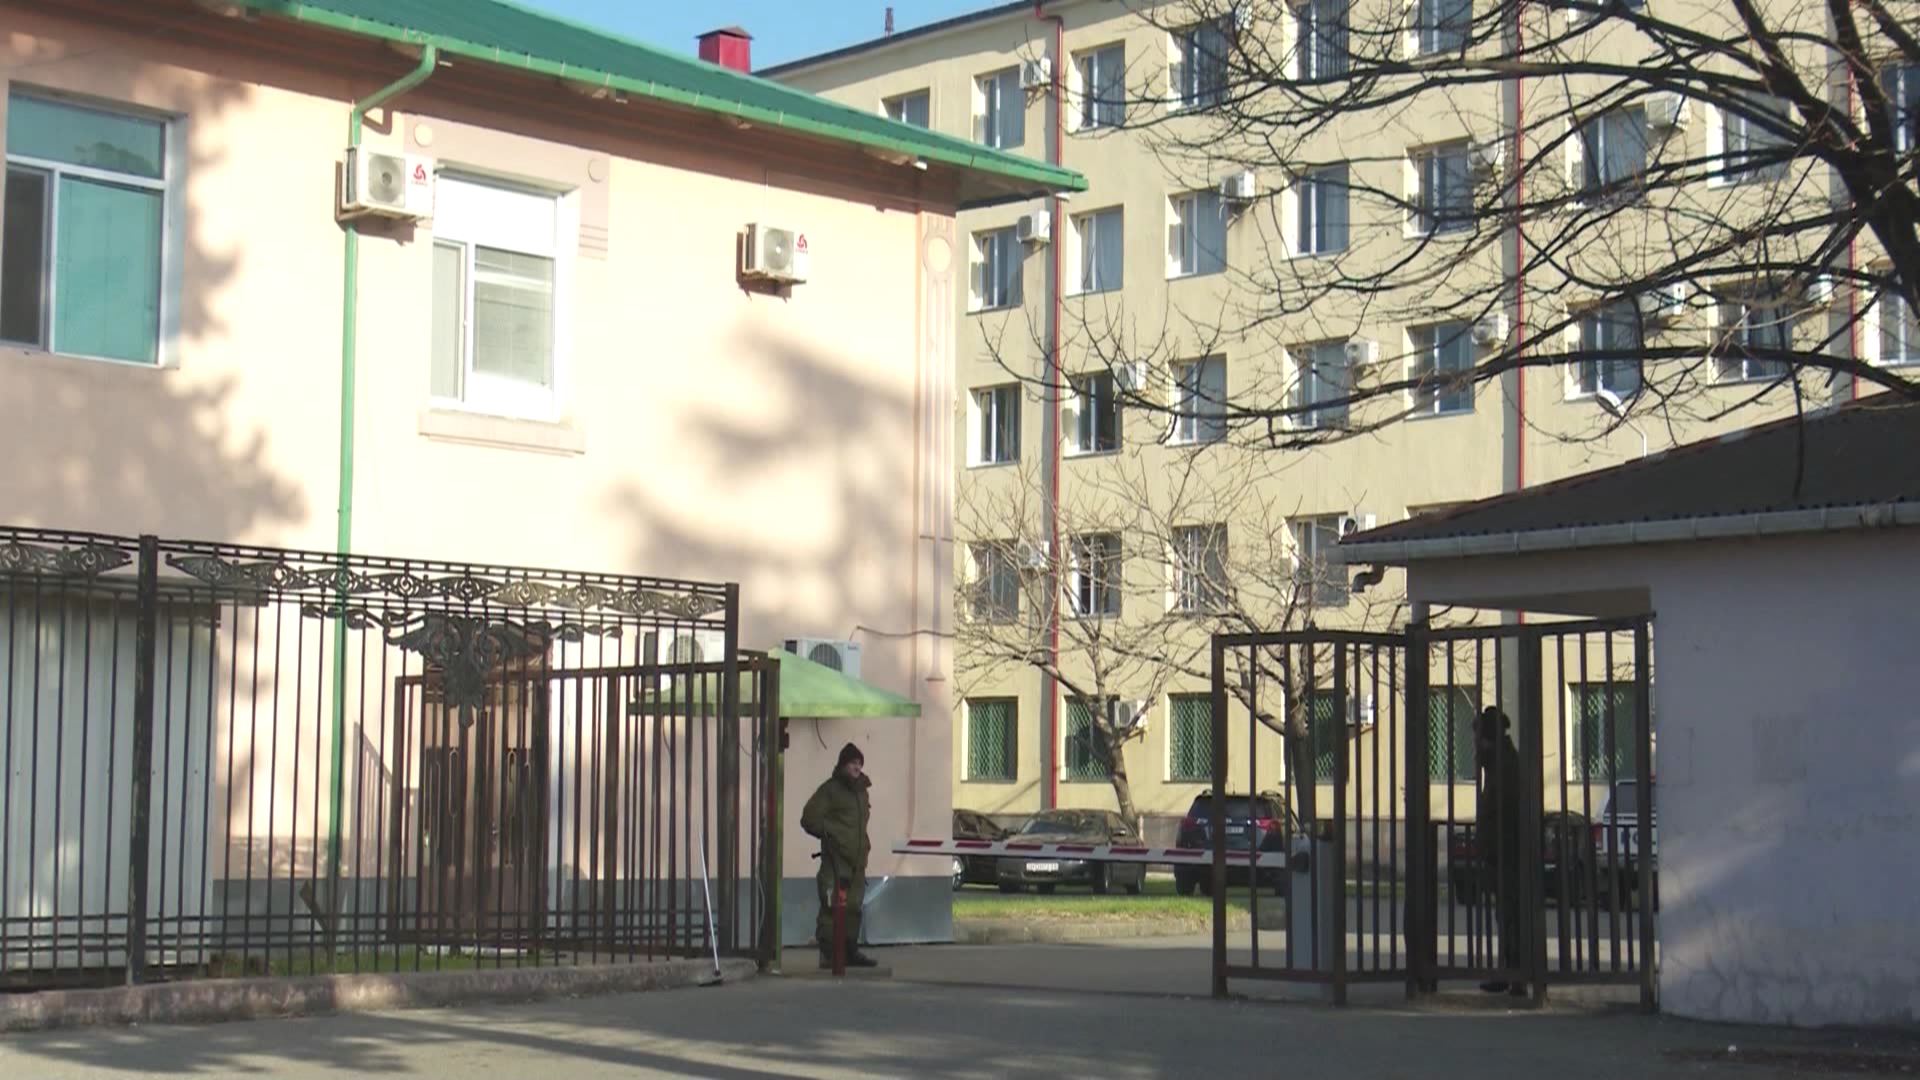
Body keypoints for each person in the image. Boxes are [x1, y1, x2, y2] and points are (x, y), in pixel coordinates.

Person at [801, 742, 877, 968]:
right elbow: (809, 819)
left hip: (857, 861)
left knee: (853, 907)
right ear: (843, 764)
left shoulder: (862, 792)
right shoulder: (830, 790)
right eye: (853, 763)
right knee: (831, 906)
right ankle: (829, 953)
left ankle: (849, 951)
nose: (857, 767)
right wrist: (831, 835)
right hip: (835, 861)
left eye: (860, 763)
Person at [1474, 706, 1526, 996]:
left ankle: (1516, 973)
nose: (1475, 747)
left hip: (1508, 854)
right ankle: (1511, 971)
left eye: (1479, 739)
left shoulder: (1504, 767)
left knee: (1511, 916)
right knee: (1506, 916)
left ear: (1488, 740)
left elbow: (1503, 812)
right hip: (1501, 853)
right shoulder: (1500, 764)